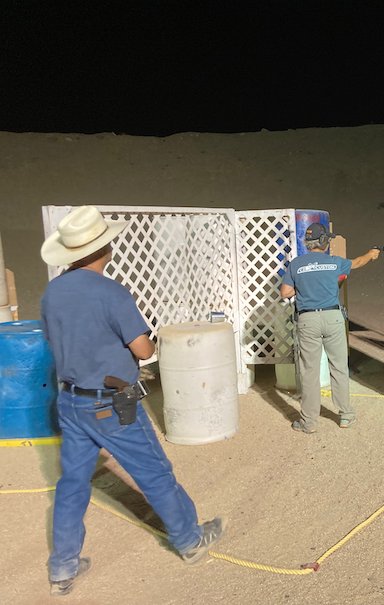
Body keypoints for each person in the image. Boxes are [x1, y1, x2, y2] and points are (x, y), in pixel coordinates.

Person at [40, 206, 223, 596]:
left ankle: (63, 566)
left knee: (72, 482)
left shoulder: (53, 291)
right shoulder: (111, 292)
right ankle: (189, 539)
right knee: (154, 472)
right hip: (111, 402)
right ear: (104, 247)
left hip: (71, 400)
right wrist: (148, 343)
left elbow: (54, 340)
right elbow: (142, 349)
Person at [280, 222, 380, 433]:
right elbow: (358, 262)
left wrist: (304, 287)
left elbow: (285, 292)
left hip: (308, 320)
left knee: (309, 372)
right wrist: (371, 254)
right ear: (324, 241)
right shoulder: (334, 262)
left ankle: (309, 422)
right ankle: (345, 415)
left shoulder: (296, 265)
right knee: (339, 367)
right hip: (333, 318)